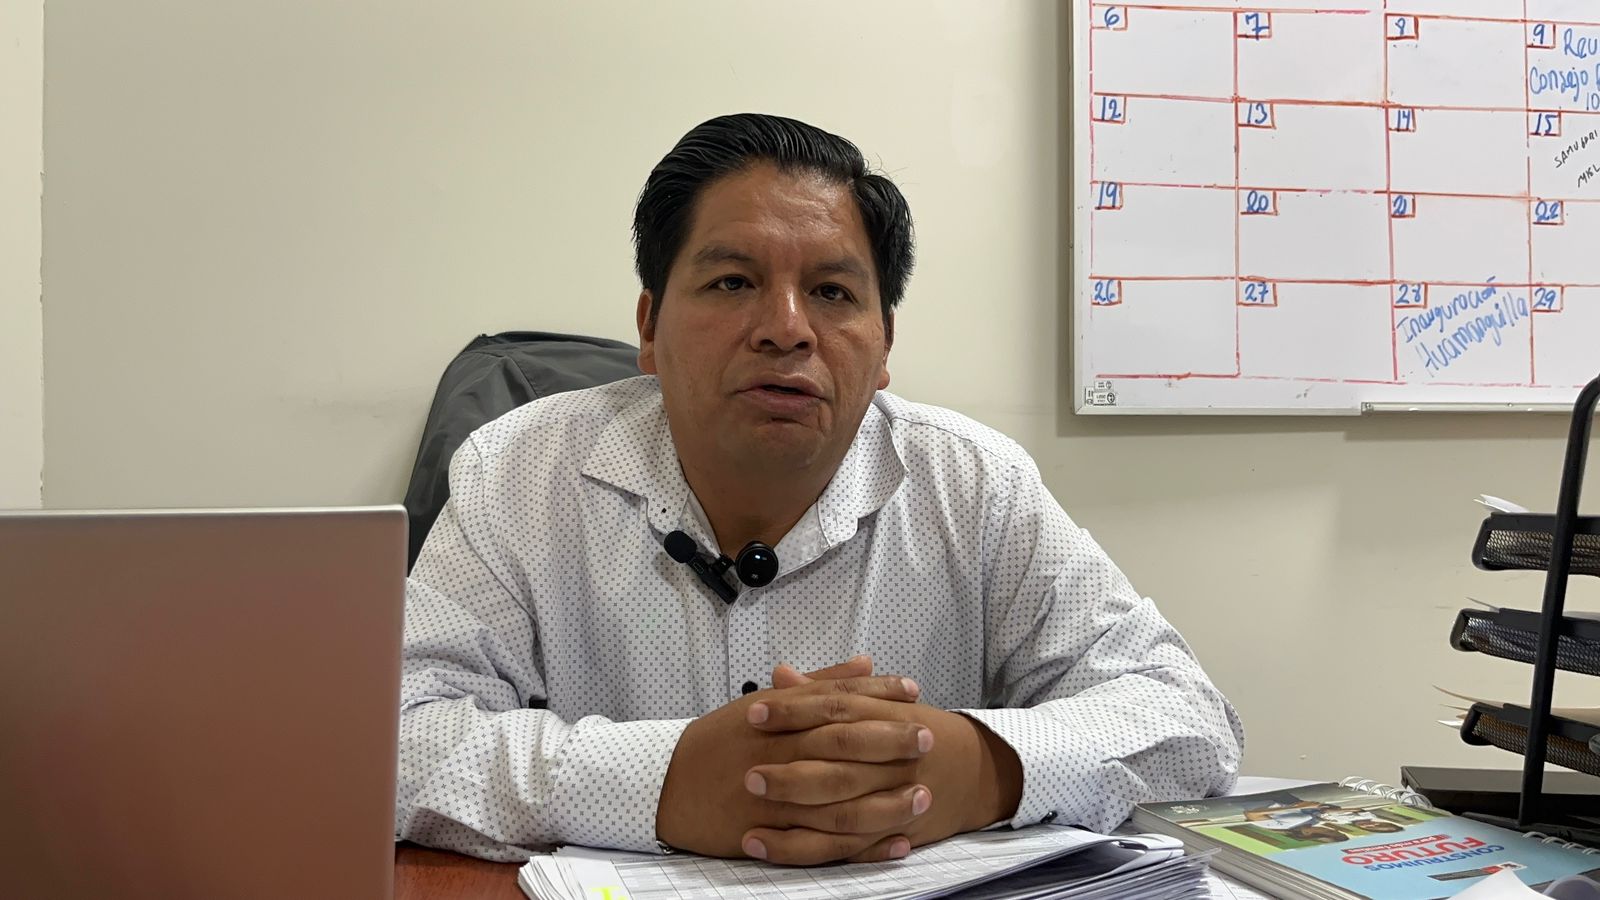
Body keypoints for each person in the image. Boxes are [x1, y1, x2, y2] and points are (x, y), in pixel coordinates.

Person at [396, 113, 1243, 865]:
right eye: (733, 282)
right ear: (650, 326)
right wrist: (659, 782)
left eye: (833, 292)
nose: (787, 329)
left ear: (884, 345)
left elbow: (1188, 718)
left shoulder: (974, 485)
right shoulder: (518, 472)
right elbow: (392, 739)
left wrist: (976, 768)